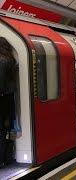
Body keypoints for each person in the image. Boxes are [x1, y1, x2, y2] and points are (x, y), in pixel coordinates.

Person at [0, 37, 16, 167]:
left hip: (2, 98)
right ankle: (4, 158)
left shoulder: (2, 61)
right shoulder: (10, 60)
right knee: (3, 131)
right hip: (8, 99)